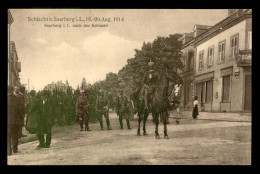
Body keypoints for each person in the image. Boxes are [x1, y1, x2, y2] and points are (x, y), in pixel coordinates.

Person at [8, 86, 19, 155]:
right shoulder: (15, 98)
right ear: (12, 90)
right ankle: (15, 149)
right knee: (15, 134)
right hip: (15, 119)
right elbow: (19, 109)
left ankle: (9, 151)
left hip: (8, 120)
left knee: (8, 135)